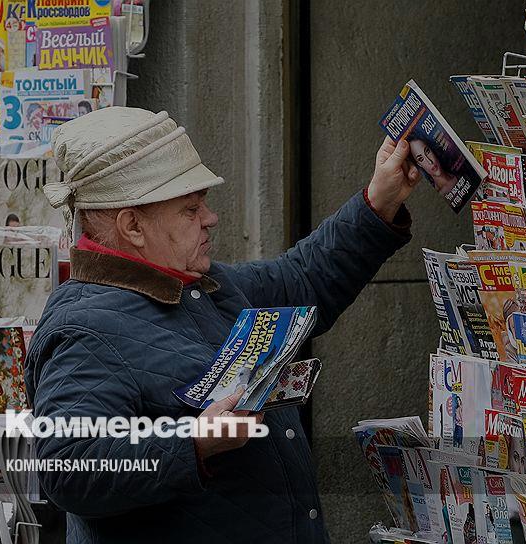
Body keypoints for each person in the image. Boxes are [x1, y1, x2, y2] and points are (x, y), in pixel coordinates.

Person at [25, 107, 421, 543]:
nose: (210, 218)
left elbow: (302, 278)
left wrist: (379, 201)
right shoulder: (83, 327)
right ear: (133, 226)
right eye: (190, 208)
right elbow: (69, 466)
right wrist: (195, 442)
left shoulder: (198, 285)